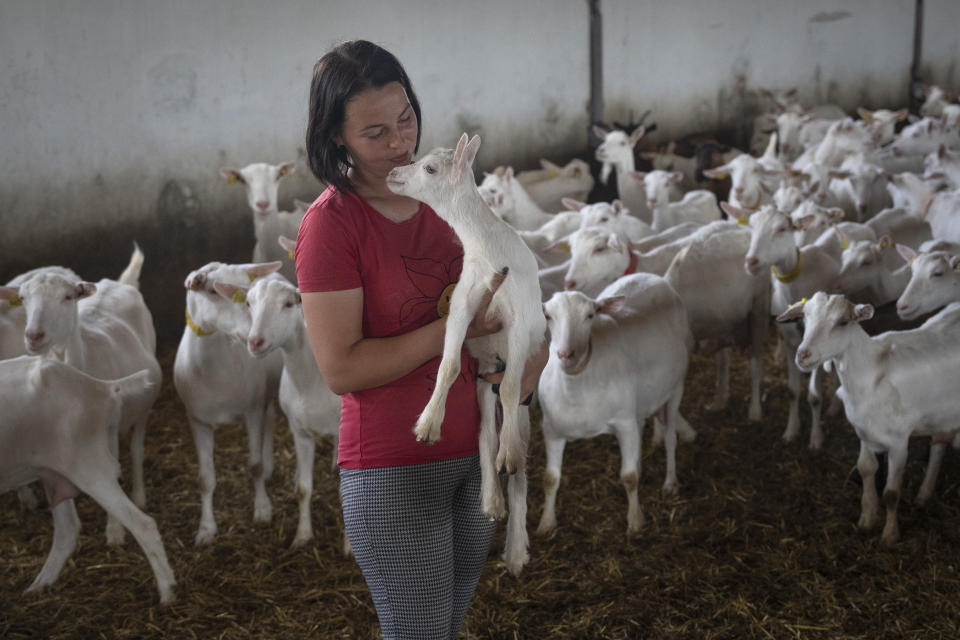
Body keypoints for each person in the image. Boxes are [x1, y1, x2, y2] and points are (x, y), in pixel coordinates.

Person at [297, 40, 547, 639]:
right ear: (336, 137)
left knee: (442, 627)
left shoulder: (453, 202)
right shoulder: (332, 226)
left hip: (476, 454)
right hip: (392, 470)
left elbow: (520, 300)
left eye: (406, 117)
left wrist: (528, 367)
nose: (400, 143)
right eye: (375, 133)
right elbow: (341, 369)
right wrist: (458, 332)